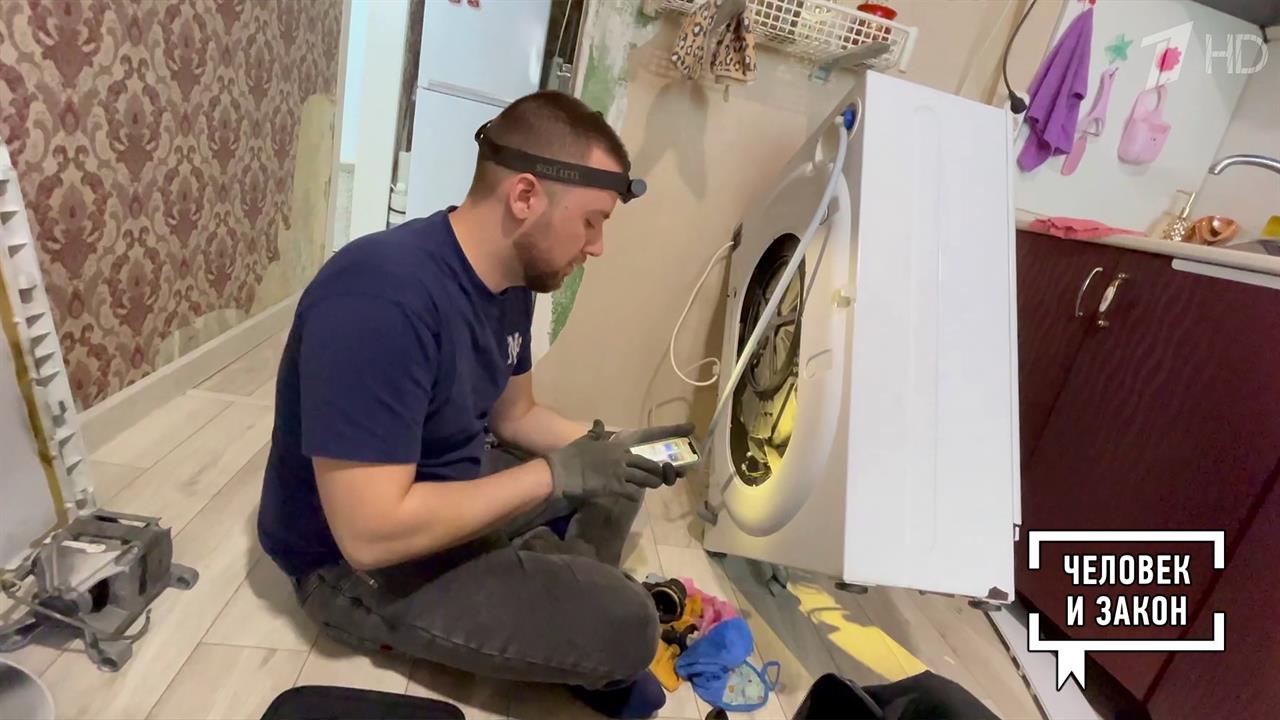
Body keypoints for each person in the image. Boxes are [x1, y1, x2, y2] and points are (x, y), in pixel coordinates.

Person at [256, 90, 692, 719]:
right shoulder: (379, 298)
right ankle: (561, 606)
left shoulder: (511, 281)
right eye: (592, 222)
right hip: (349, 562)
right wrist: (556, 476)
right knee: (630, 625)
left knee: (619, 479)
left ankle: (549, 598)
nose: (597, 246)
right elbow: (369, 535)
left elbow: (516, 417)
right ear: (525, 197)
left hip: (445, 484)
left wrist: (615, 448)